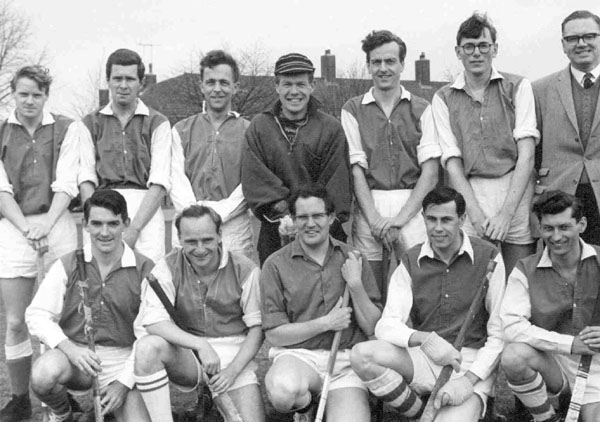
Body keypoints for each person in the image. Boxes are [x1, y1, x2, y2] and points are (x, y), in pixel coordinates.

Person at [351, 186, 506, 421]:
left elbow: (499, 334)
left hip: (469, 364)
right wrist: (427, 340)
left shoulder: (490, 257)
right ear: (423, 218)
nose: (438, 228)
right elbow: (386, 325)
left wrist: (468, 381)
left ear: (462, 219)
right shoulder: (411, 259)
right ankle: (419, 412)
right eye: (431, 219)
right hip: (425, 356)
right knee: (362, 355)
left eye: (447, 220)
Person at [26, 189, 153, 422]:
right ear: (85, 224)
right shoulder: (69, 263)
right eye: (96, 224)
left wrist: (123, 384)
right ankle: (64, 415)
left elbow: (150, 334)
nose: (104, 233)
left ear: (126, 223)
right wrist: (70, 349)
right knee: (44, 373)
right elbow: (37, 314)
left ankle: (114, 408)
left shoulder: (144, 269)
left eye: (113, 224)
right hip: (78, 357)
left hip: (126, 360)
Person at [261, 185, 382, 422]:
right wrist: (326, 323)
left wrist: (355, 285)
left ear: (331, 218)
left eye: (318, 216)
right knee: (282, 391)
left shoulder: (353, 258)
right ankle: (305, 408)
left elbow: (372, 328)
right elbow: (275, 336)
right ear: (293, 221)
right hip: (298, 357)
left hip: (345, 362)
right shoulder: (275, 265)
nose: (310, 223)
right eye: (302, 217)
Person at [0, 65, 80, 422]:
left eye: (37, 94)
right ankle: (19, 400)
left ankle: (56, 401)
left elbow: (67, 182)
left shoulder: (67, 127)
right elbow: (1, 188)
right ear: (13, 93)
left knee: (56, 319)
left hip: (58, 223)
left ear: (46, 95)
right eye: (23, 94)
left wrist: (46, 224)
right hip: (13, 227)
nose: (29, 100)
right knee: (16, 320)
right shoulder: (1, 129)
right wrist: (26, 228)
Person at [134, 205, 264, 422]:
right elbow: (154, 322)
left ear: (220, 235)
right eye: (191, 242)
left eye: (207, 240)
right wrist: (200, 344)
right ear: (179, 238)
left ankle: (210, 400)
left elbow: (257, 329)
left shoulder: (246, 269)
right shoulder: (166, 267)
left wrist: (231, 372)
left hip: (234, 355)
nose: (200, 249)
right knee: (147, 348)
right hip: (188, 354)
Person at [432, 13, 539, 275]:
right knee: (474, 279)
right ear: (458, 51)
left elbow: (527, 155)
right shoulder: (443, 97)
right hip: (469, 193)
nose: (476, 53)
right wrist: (476, 215)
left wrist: (505, 215)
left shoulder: (518, 86)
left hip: (515, 189)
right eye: (469, 46)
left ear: (495, 49)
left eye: (483, 46)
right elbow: (452, 162)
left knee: (518, 279)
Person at [341, 30, 440, 293]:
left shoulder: (422, 108)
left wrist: (398, 220)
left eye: (390, 61)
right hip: (369, 206)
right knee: (372, 288)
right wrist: (374, 219)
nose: (383, 69)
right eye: (376, 62)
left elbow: (430, 173)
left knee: (417, 287)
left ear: (402, 64)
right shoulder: (352, 109)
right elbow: (356, 169)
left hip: (413, 208)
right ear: (368, 65)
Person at [242, 53, 351, 265]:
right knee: (277, 294)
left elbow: (337, 182)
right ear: (276, 86)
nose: (294, 92)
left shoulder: (330, 128)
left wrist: (307, 217)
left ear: (312, 85)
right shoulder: (260, 127)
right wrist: (286, 215)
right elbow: (255, 178)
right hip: (275, 229)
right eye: (287, 84)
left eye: (301, 84)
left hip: (322, 229)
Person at [501, 190, 600, 422]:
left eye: (564, 227)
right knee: (514, 356)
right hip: (557, 366)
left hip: (597, 367)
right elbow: (511, 326)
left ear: (582, 224)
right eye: (548, 228)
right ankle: (546, 418)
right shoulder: (525, 268)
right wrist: (570, 344)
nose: (556, 237)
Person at [79, 48, 171, 262]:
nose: (123, 85)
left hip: (145, 212)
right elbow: (86, 178)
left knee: (148, 282)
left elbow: (159, 181)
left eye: (130, 79)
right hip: (103, 207)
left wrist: (134, 229)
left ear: (141, 83)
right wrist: (97, 218)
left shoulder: (158, 123)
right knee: (102, 280)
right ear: (108, 81)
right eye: (117, 78)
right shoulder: (89, 123)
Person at [170, 50, 254, 258]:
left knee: (236, 285)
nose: (217, 89)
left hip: (233, 227)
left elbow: (251, 181)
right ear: (202, 86)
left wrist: (221, 213)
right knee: (188, 286)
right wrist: (195, 214)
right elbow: (175, 176)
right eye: (211, 82)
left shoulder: (250, 131)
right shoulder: (181, 129)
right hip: (189, 222)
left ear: (235, 87)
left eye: (224, 83)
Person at [533, 10, 600, 246]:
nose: (581, 43)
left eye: (589, 36)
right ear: (563, 45)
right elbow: (533, 151)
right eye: (572, 38)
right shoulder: (539, 90)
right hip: (558, 199)